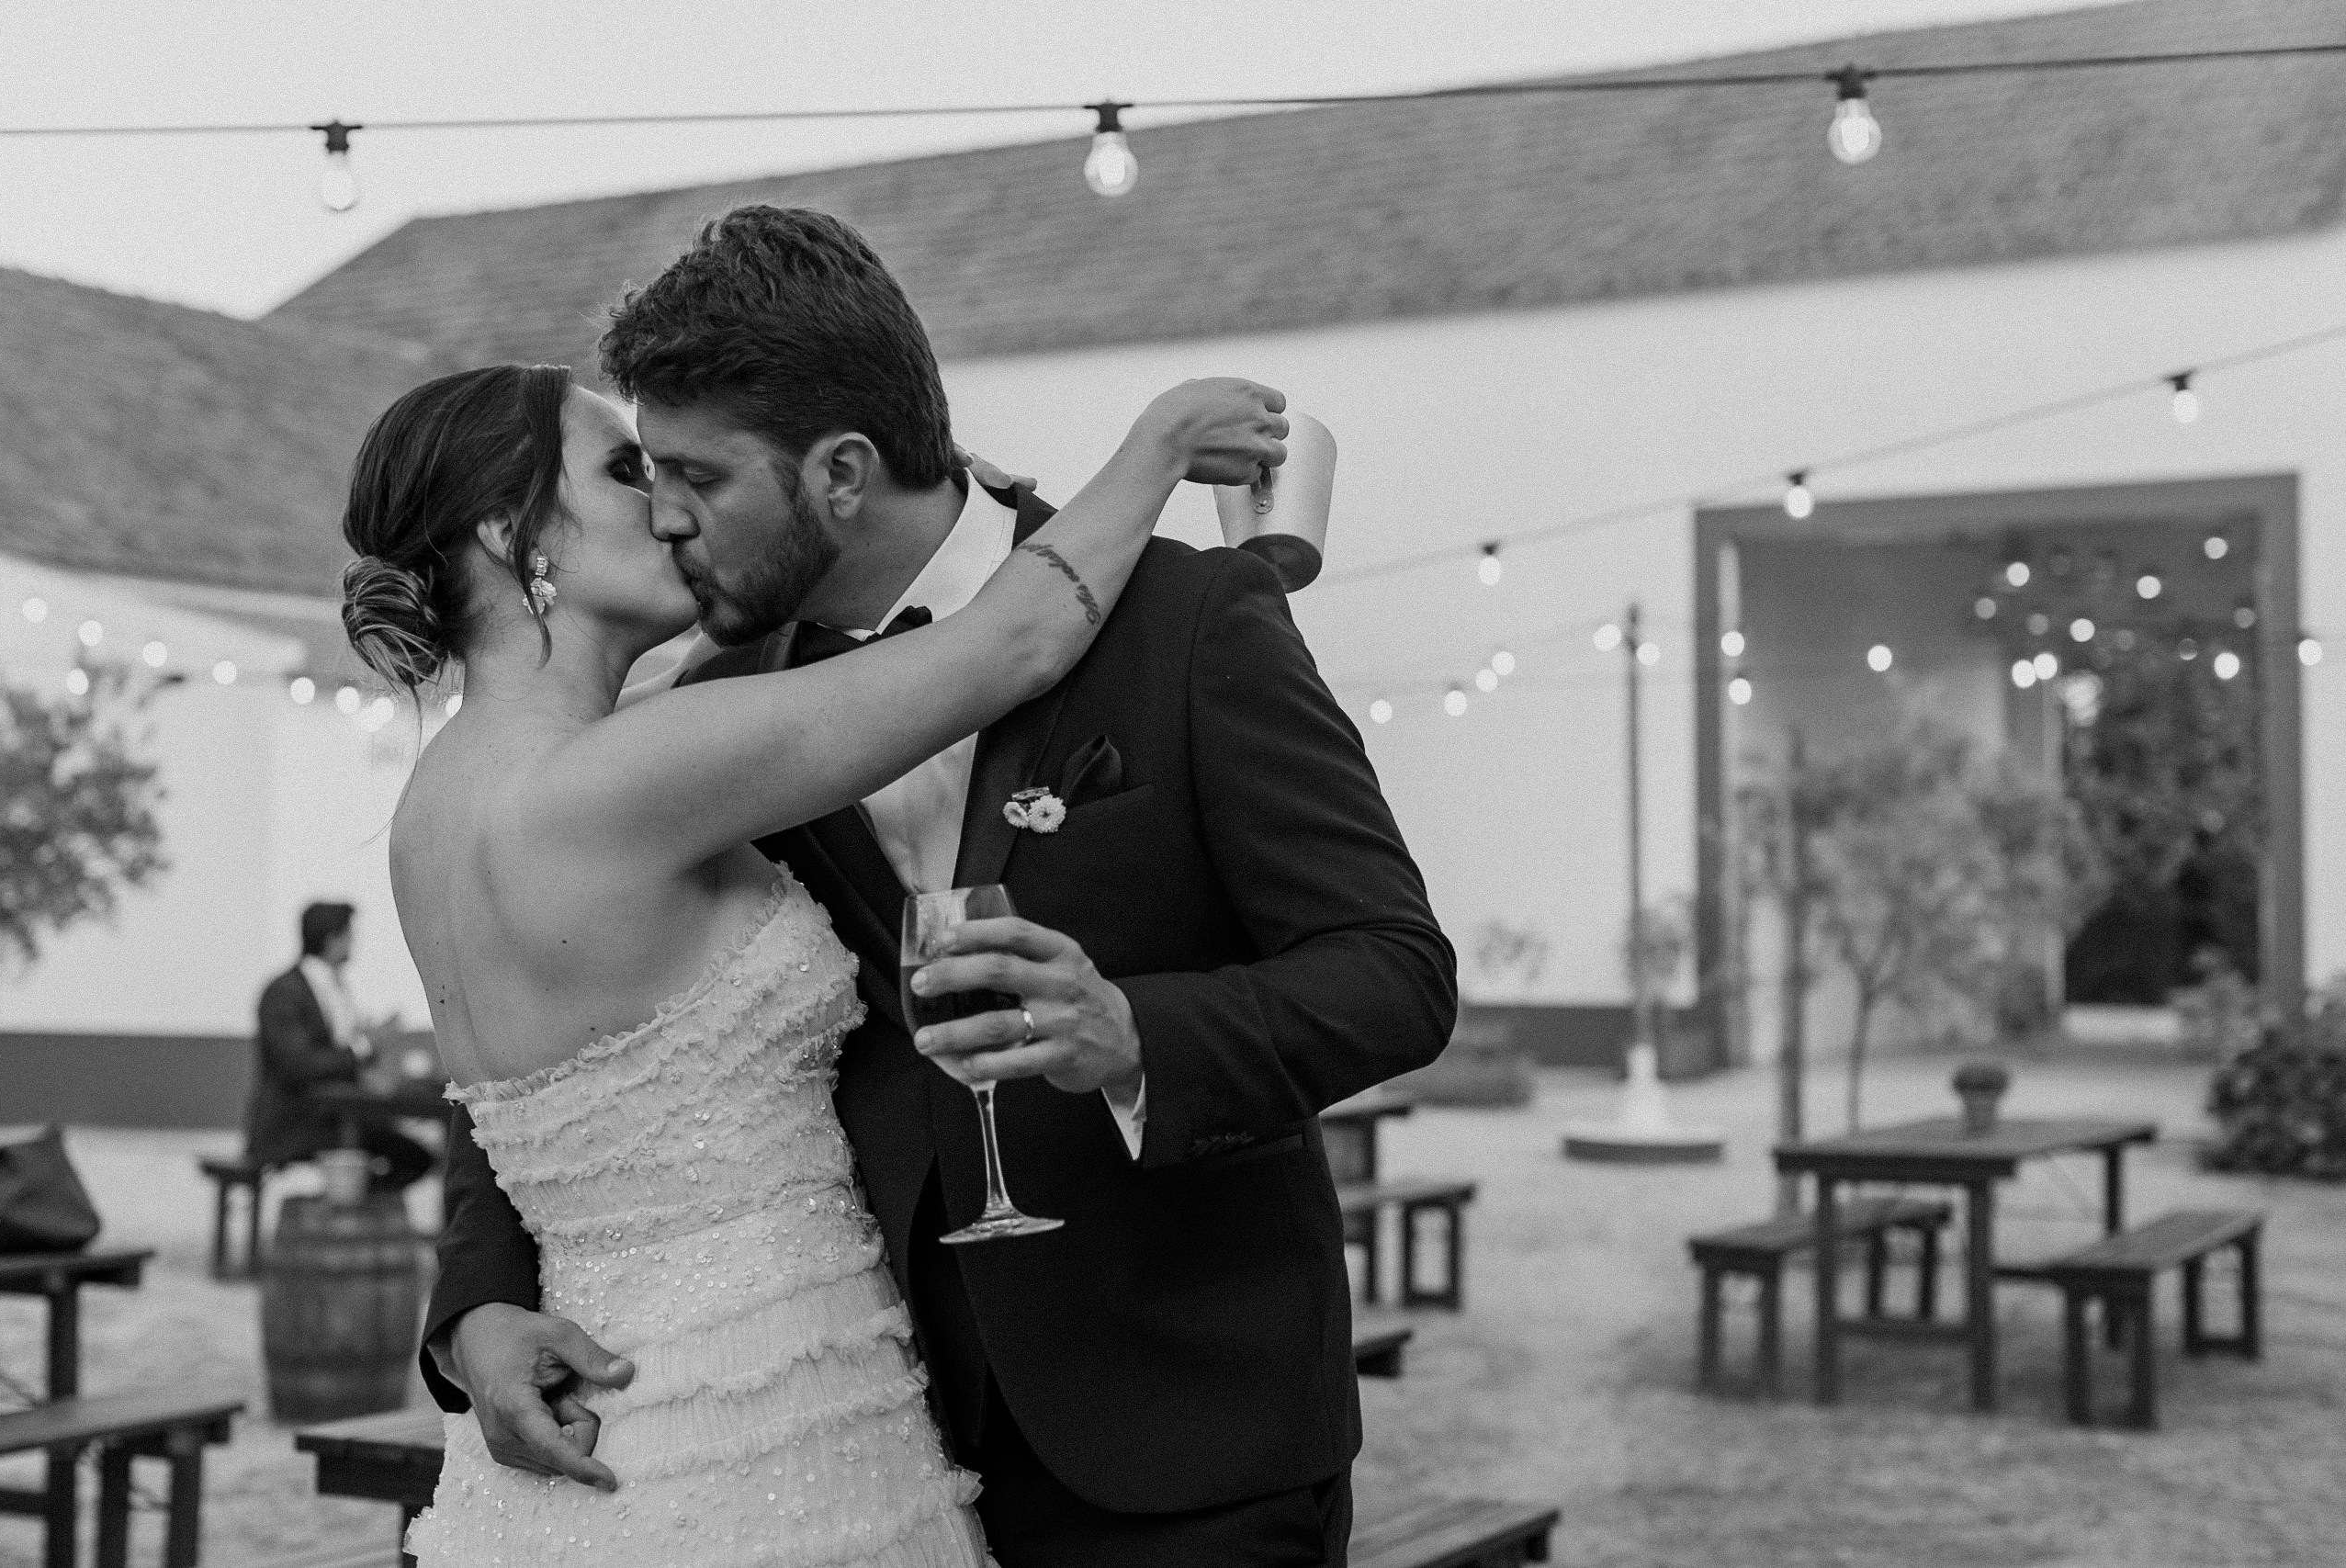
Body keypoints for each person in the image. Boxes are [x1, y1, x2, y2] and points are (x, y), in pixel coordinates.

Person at [420, 208, 1456, 1568]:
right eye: (646, 473)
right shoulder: (712, 705)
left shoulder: (1188, 621)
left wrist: (1135, 1036)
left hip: (1184, 1436)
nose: (666, 516)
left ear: (841, 471)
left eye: (698, 476)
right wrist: (477, 1303)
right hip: (852, 1438)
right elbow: (562, 1038)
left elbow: (1393, 969)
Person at [243, 901, 432, 1192]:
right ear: (333, 939)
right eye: (349, 937)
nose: (353, 945)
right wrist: (365, 1045)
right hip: (297, 1123)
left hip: (337, 1115)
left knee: (415, 1156)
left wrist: (368, 1046)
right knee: (406, 1155)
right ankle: (352, 1210)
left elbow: (339, 1052)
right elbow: (299, 1065)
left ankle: (361, 1208)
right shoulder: (284, 992)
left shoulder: (333, 987)